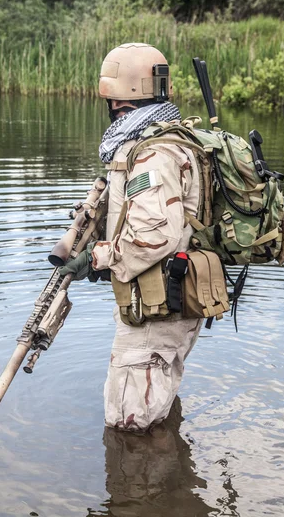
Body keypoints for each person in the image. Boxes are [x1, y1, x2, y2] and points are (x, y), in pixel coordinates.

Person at [60, 42, 203, 432]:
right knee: (155, 407)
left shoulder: (152, 153)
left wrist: (96, 258)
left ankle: (136, 492)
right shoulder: (171, 137)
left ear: (117, 101)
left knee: (128, 425)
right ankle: (173, 481)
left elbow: (154, 235)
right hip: (172, 301)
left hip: (158, 311)